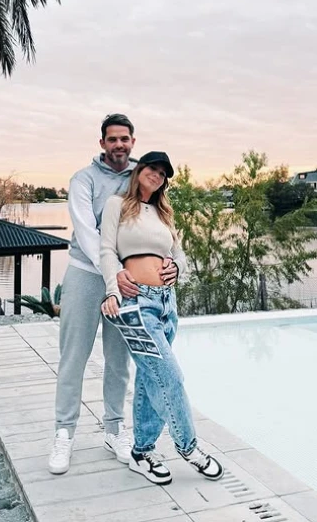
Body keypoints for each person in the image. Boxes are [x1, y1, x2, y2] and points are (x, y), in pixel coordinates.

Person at [50, 114, 168, 474]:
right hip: (87, 275)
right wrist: (112, 273)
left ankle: (114, 430)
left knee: (119, 359)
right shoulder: (83, 180)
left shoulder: (141, 177)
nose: (119, 145)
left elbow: (157, 223)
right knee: (74, 356)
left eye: (124, 139)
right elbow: (88, 232)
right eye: (112, 139)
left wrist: (169, 264)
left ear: (133, 142)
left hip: (127, 281)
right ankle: (64, 433)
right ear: (102, 143)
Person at [99, 151, 224, 485]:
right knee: (170, 377)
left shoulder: (164, 213)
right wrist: (112, 290)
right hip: (136, 303)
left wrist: (177, 268)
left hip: (167, 303)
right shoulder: (117, 205)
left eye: (163, 173)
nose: (157, 175)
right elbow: (107, 250)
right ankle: (189, 448)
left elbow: (178, 254)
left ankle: (142, 451)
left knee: (150, 377)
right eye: (152, 168)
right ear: (139, 170)